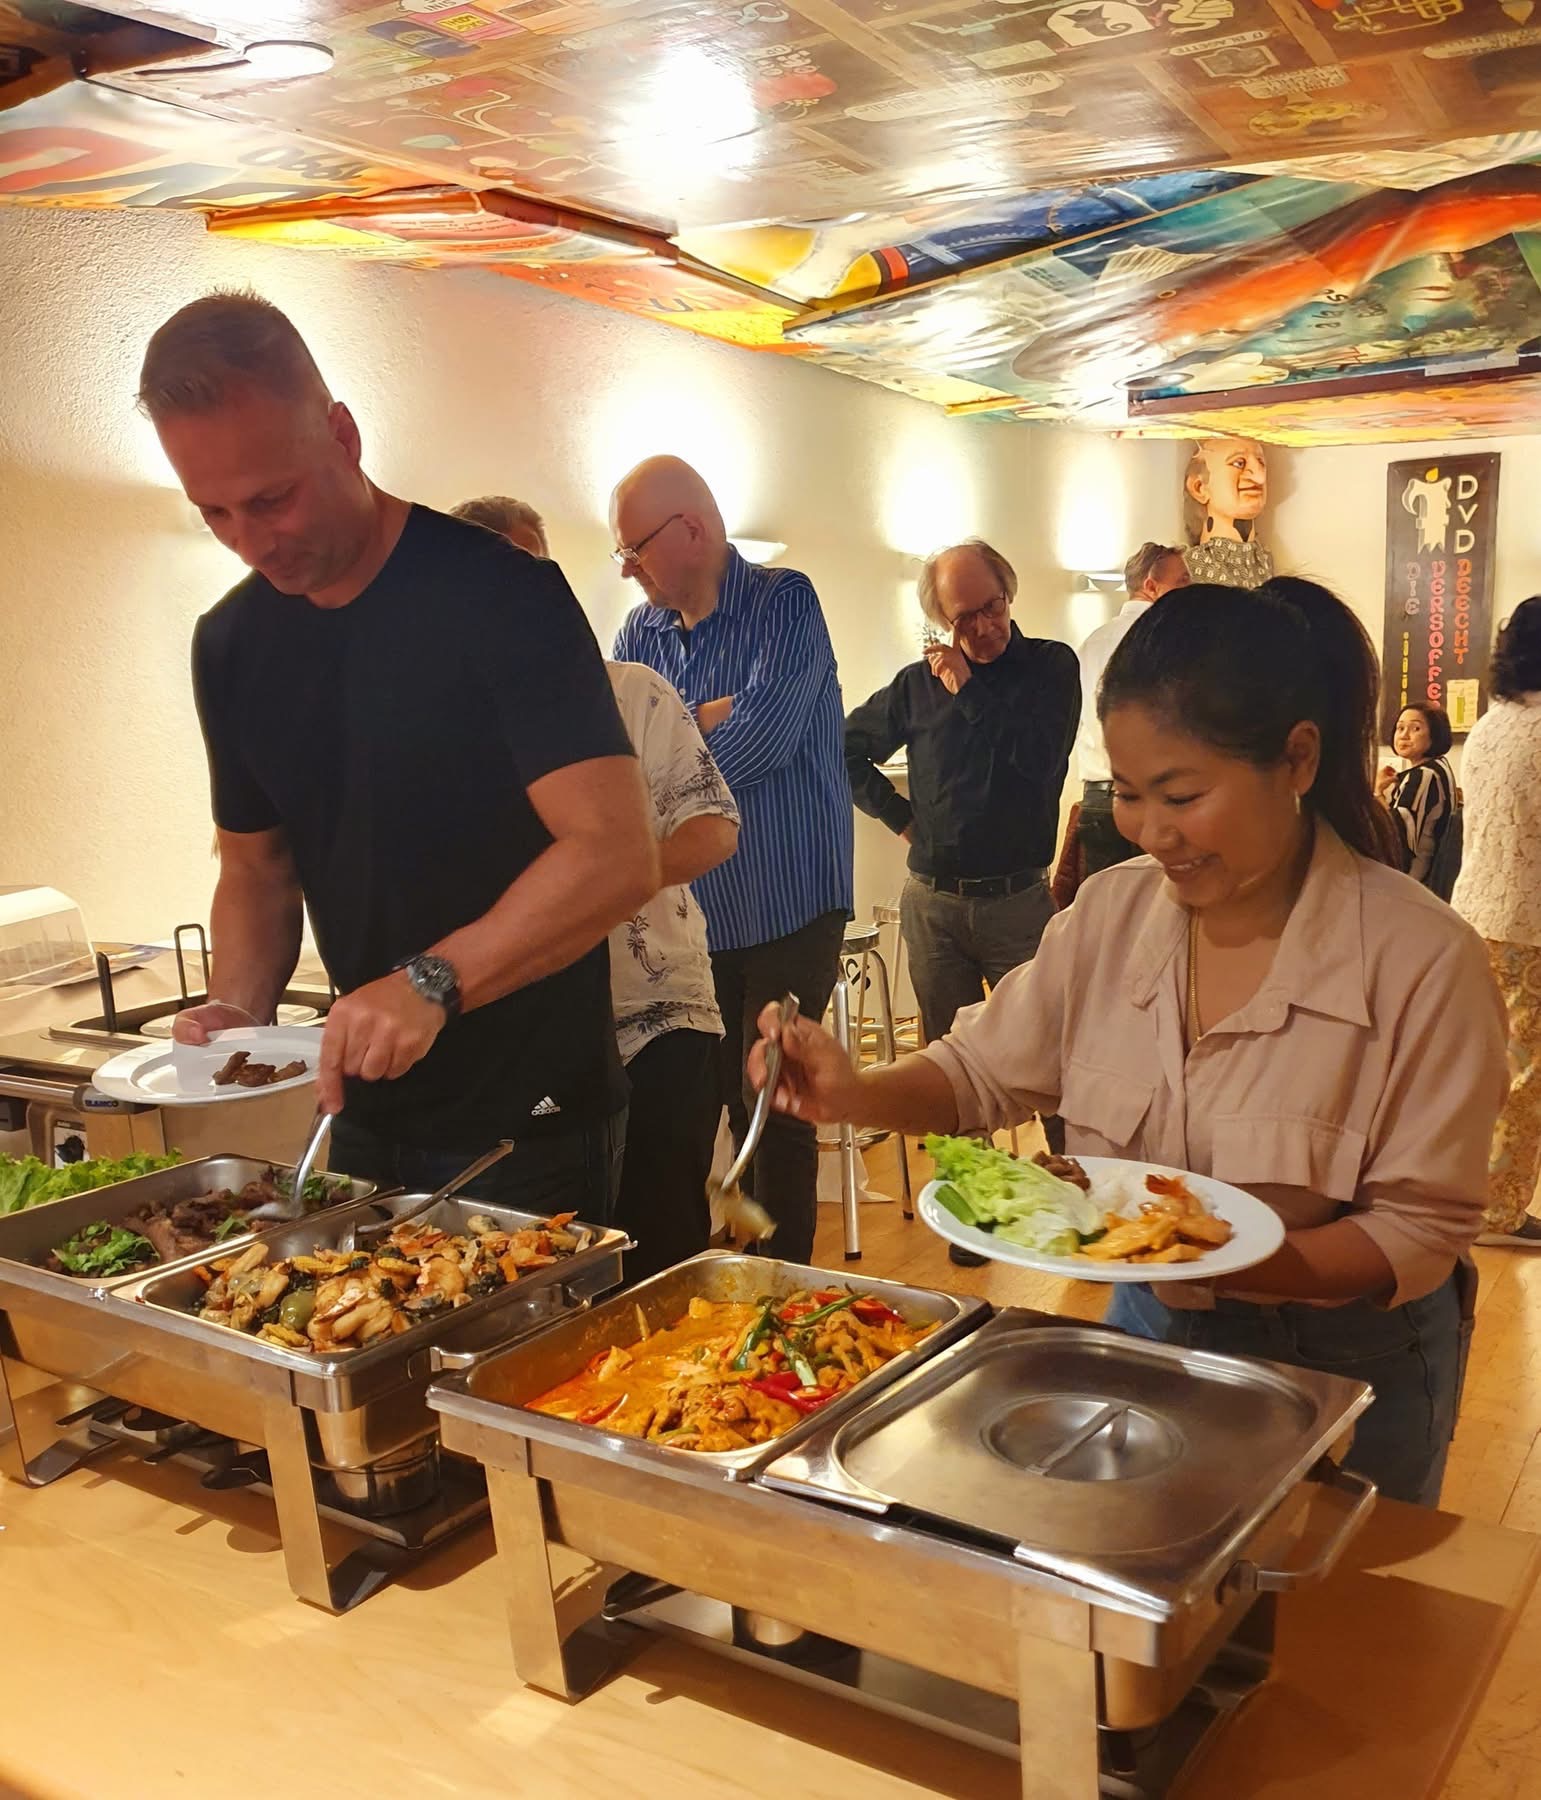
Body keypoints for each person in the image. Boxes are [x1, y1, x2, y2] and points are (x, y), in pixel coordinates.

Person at [750, 578, 1508, 1507]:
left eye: (1182, 795)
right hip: (1147, 1325)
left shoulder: (1420, 958)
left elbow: (1418, 1231)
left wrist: (1203, 1253)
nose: (1152, 832)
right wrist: (853, 1092)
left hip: (1346, 1362)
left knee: (1322, 1591)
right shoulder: (1110, 915)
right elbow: (981, 1071)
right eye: (1129, 795)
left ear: (1297, 758)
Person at [151, 292, 657, 1217]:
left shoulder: (502, 595)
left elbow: (616, 853)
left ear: (342, 436)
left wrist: (432, 982)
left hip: (528, 1114)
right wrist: (239, 1015)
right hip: (358, 1104)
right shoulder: (229, 644)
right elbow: (257, 872)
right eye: (213, 513)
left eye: (271, 499)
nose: (251, 543)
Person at [455, 494, 741, 1280]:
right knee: (548, 1261)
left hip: (657, 1015)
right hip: (523, 1031)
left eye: (531, 571)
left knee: (663, 1247)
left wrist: (603, 883)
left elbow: (713, 828)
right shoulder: (446, 719)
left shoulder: (632, 692)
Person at [610, 456, 852, 1263]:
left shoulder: (784, 601)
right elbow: (625, 759)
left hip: (790, 902)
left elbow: (763, 739)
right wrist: (702, 717)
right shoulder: (638, 634)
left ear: (691, 528)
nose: (628, 568)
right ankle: (707, 1279)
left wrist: (679, 735)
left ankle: (784, 1291)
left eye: (635, 548)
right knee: (698, 1103)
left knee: (774, 1107)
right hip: (694, 920)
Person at [1453, 597, 1541, 1248]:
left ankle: (1458, 1192)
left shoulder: (1490, 725)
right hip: (1528, 922)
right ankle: (1497, 1211)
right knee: (1524, 1076)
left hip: (1475, 909)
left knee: (1479, 1064)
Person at [1073, 542, 1191, 880]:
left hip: (1097, 800)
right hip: (1154, 798)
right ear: (1151, 586)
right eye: (1183, 582)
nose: (1190, 592)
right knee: (1161, 905)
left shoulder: (1091, 642)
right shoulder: (1167, 639)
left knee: (1107, 907)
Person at [1376, 702, 1456, 888]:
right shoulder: (1440, 767)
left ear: (1435, 734)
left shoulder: (1423, 775)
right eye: (1400, 728)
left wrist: (1378, 793)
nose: (1404, 735)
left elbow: (1395, 835)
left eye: (1415, 728)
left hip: (1412, 880)